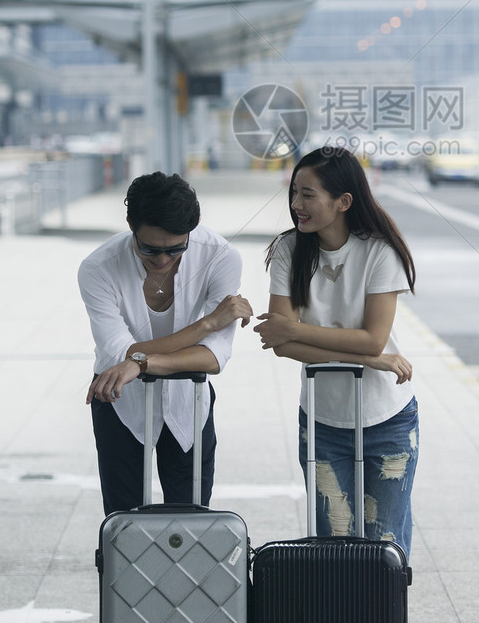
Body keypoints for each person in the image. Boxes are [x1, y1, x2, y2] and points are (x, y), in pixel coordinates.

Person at [255, 147, 419, 557]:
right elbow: (280, 346)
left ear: (343, 202)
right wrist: (368, 360)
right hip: (322, 423)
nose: (296, 205)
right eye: (294, 193)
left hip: (388, 421)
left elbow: (373, 339)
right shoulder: (288, 250)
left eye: (308, 195)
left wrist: (295, 328)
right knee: (334, 547)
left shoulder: (380, 251)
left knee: (385, 546)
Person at [80, 171, 252, 515]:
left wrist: (142, 364)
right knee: (123, 524)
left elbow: (213, 358)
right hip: (118, 400)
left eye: (176, 249)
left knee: (191, 526)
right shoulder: (98, 267)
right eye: (149, 249)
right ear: (131, 227)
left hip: (190, 399)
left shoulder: (220, 256)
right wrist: (208, 323)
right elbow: (122, 352)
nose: (162, 259)